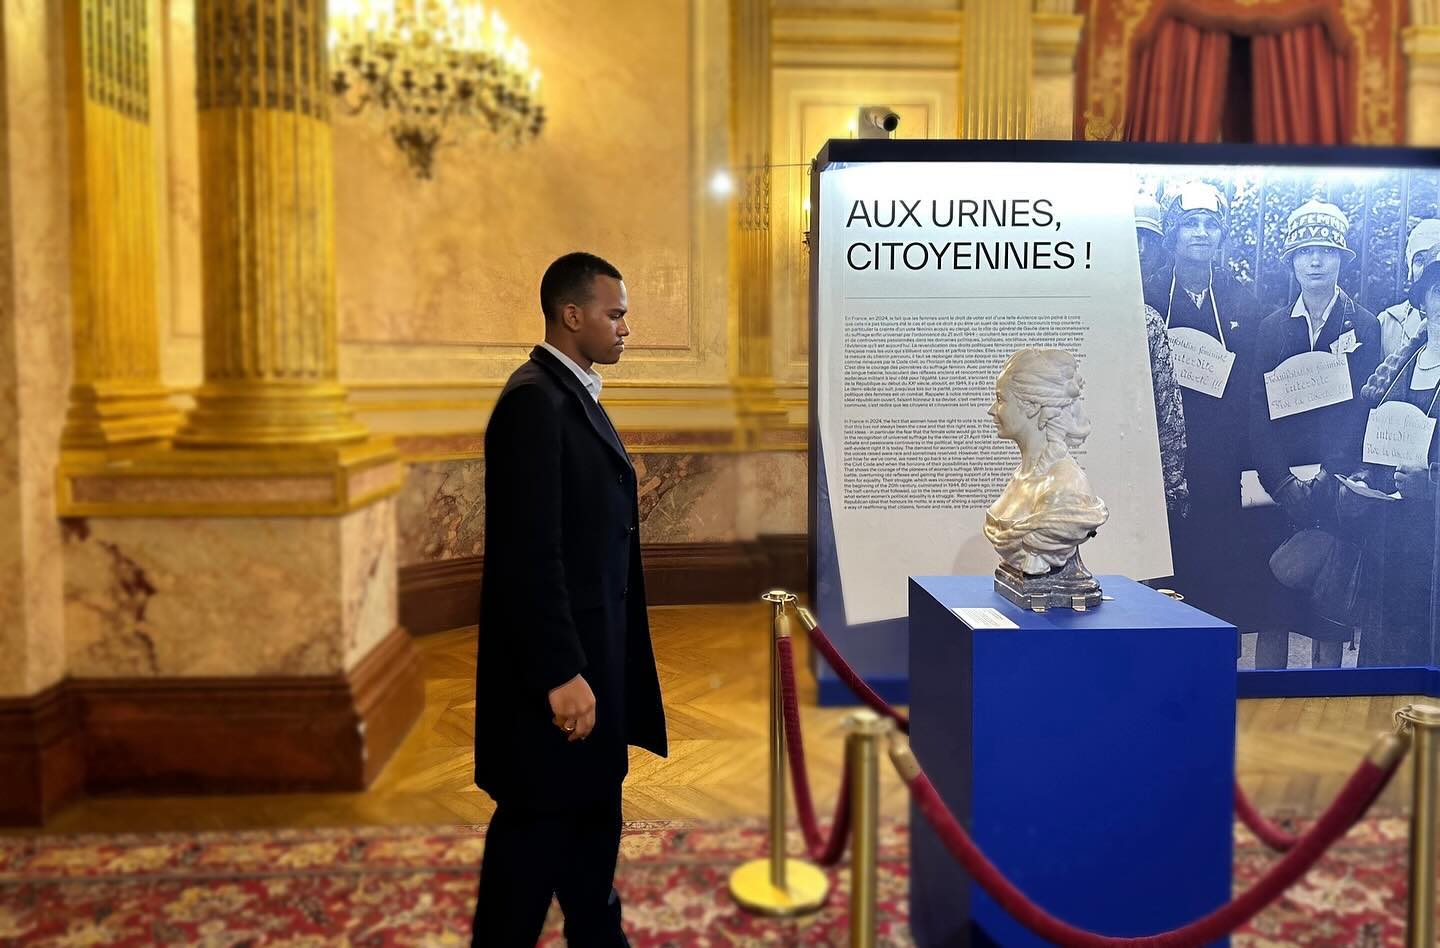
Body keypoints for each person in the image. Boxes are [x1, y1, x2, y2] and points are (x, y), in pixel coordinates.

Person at [472, 252, 667, 946]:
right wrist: (562, 674)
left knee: (590, 823)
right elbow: (530, 555)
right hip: (560, 679)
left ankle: (598, 934)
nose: (625, 329)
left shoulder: (567, 394)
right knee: (533, 840)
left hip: (592, 663)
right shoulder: (535, 401)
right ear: (572, 314)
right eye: (615, 314)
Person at [1250, 199, 1382, 669]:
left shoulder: (1363, 326)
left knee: (1327, 614)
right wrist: (1282, 482)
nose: (1315, 260)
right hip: (1281, 492)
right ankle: (1265, 706)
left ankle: (1325, 699)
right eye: (1305, 250)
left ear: (1342, 258)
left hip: (1336, 490)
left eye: (1326, 250)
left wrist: (1332, 475)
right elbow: (1258, 416)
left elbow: (1362, 412)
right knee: (1273, 610)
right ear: (1291, 259)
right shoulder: (1269, 329)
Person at [1141, 182, 1262, 625]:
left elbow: (1250, 390)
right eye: (1190, 223)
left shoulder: (1242, 302)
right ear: (1173, 232)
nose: (1200, 232)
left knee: (1217, 577)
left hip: (1219, 461)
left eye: (1210, 224)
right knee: (1166, 576)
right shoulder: (1147, 295)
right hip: (1160, 464)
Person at [1347, 258, 1440, 667]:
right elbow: (1373, 435)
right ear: (1423, 301)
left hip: (1432, 542)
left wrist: (1433, 485)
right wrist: (1365, 474)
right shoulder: (1399, 365)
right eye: (1438, 291)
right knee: (1385, 648)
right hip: (1390, 534)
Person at [984, 348, 1109, 576]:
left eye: (1001, 399)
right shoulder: (1024, 476)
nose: (992, 410)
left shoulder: (1066, 488)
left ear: (1032, 405)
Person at [1378, 218, 1440, 357]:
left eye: (1435, 260)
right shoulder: (1389, 323)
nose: (1426, 269)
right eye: (1420, 260)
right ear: (1410, 269)